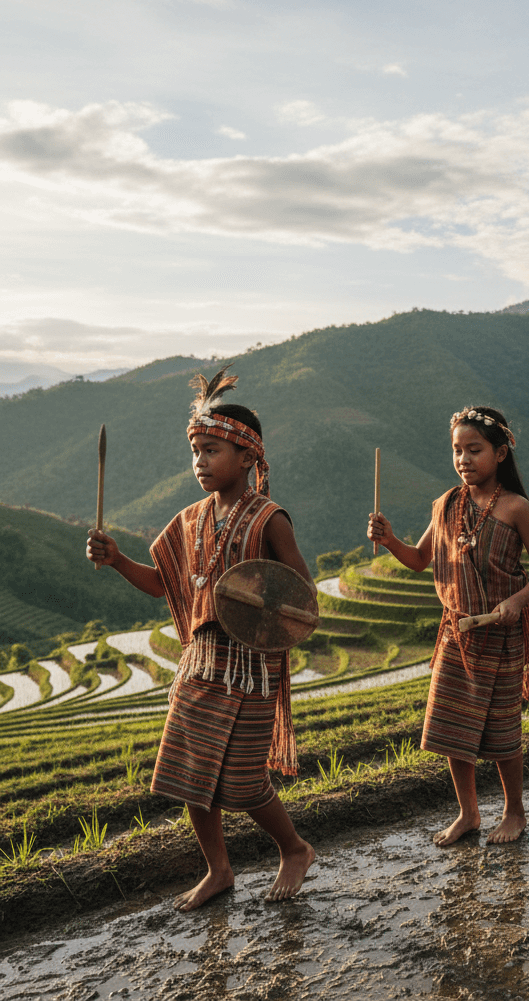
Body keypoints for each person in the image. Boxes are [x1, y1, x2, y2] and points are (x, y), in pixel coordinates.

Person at [86, 366, 316, 911]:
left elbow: (301, 597)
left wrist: (258, 602)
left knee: (240, 783)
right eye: (196, 452)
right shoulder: (189, 520)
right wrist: (117, 559)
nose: (200, 463)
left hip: (252, 668)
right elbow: (159, 584)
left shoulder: (269, 519)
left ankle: (295, 847)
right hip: (200, 662)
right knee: (190, 778)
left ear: (247, 457)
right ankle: (220, 869)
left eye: (212, 451)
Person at [367, 406, 529, 846]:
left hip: (501, 634)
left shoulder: (515, 508)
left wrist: (515, 600)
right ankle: (468, 813)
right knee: (452, 731)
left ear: (501, 452)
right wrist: (390, 539)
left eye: (475, 449)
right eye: (457, 450)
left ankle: (514, 812)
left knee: (503, 732)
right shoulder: (444, 505)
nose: (464, 459)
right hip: (456, 635)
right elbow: (418, 560)